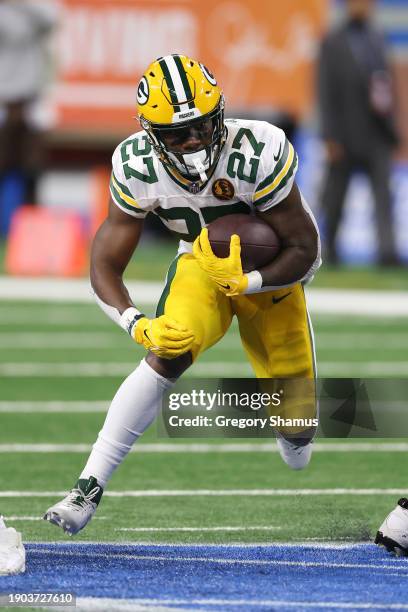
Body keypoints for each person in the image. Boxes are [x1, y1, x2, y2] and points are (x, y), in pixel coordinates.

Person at [43, 54, 321, 535]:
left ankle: (291, 427)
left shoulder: (260, 148)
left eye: (200, 127)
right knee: (166, 349)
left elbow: (304, 247)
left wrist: (250, 281)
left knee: (299, 432)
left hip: (273, 274)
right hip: (201, 262)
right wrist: (136, 322)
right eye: (176, 134)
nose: (192, 142)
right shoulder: (136, 164)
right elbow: (105, 263)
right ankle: (86, 488)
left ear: (220, 116)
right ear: (151, 134)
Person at [317, 0, 399, 265]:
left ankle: (387, 251)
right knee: (335, 198)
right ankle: (329, 248)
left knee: (384, 197)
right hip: (344, 134)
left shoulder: (378, 39)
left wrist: (393, 128)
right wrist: (329, 136)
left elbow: (387, 85)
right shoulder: (332, 41)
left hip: (377, 133)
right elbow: (325, 92)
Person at [0, 0, 58, 207]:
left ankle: (31, 220)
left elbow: (52, 18)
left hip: (32, 96)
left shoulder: (32, 6)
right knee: (3, 162)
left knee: (33, 165)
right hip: (4, 97)